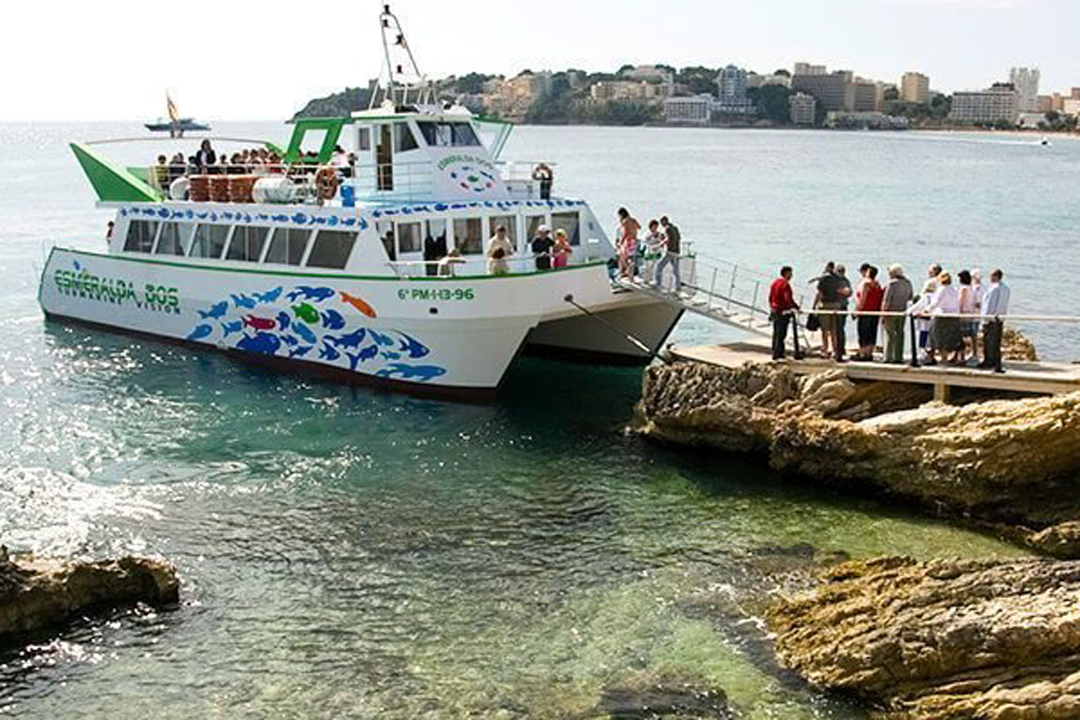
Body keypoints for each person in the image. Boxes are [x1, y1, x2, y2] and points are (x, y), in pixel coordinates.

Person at [926, 272, 962, 365]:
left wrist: (926, 310)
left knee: (938, 338)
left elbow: (935, 303)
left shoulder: (941, 289)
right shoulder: (954, 290)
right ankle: (948, 358)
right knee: (950, 338)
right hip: (953, 316)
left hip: (941, 316)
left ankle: (942, 358)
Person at [881, 264, 914, 364]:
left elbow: (886, 300)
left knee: (890, 334)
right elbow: (910, 297)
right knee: (900, 333)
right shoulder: (908, 283)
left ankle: (888, 356)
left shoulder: (892, 284)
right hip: (902, 310)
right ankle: (898, 356)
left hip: (891, 311)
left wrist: (882, 313)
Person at [980, 269, 1011, 373]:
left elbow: (990, 305)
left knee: (989, 342)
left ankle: (989, 362)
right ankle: (996, 364)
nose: (990, 278)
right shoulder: (1006, 288)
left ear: (996, 276)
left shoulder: (994, 289)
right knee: (996, 343)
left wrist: (985, 319)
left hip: (991, 319)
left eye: (991, 276)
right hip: (1000, 318)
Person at [769, 266, 801, 360]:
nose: (791, 275)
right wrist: (795, 307)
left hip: (775, 310)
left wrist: (772, 306)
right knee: (782, 333)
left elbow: (770, 297)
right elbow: (787, 298)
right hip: (782, 311)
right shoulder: (785, 284)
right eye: (790, 273)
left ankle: (775, 352)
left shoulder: (774, 283)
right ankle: (779, 354)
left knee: (776, 332)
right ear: (786, 273)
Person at [854, 265, 884, 361]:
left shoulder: (866, 284)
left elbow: (862, 299)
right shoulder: (877, 284)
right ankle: (869, 353)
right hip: (875, 311)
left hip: (865, 311)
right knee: (872, 333)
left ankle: (863, 353)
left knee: (863, 332)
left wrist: (857, 310)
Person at [655, 215, 683, 292]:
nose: (661, 225)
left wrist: (658, 245)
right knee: (676, 270)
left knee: (659, 266)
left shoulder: (667, 228)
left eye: (661, 223)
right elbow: (678, 238)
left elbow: (668, 239)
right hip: (677, 252)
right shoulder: (675, 228)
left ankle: (658, 284)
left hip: (670, 252)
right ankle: (678, 287)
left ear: (664, 221)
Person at [957, 270, 978, 362]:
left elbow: (961, 302)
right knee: (971, 335)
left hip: (964, 313)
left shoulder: (964, 288)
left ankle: (961, 355)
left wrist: (959, 313)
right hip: (971, 313)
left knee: (961, 335)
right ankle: (974, 353)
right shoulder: (972, 288)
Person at [834, 264, 853, 361]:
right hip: (836, 306)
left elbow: (849, 292)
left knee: (839, 329)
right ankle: (837, 349)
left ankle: (840, 350)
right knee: (837, 330)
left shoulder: (845, 281)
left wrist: (839, 291)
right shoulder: (834, 280)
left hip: (841, 306)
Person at [616, 208, 640, 279]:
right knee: (622, 257)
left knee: (622, 257)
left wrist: (621, 242)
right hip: (634, 241)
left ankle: (628, 269)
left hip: (628, 241)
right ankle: (622, 273)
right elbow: (639, 227)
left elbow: (626, 233)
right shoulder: (633, 220)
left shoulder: (625, 221)